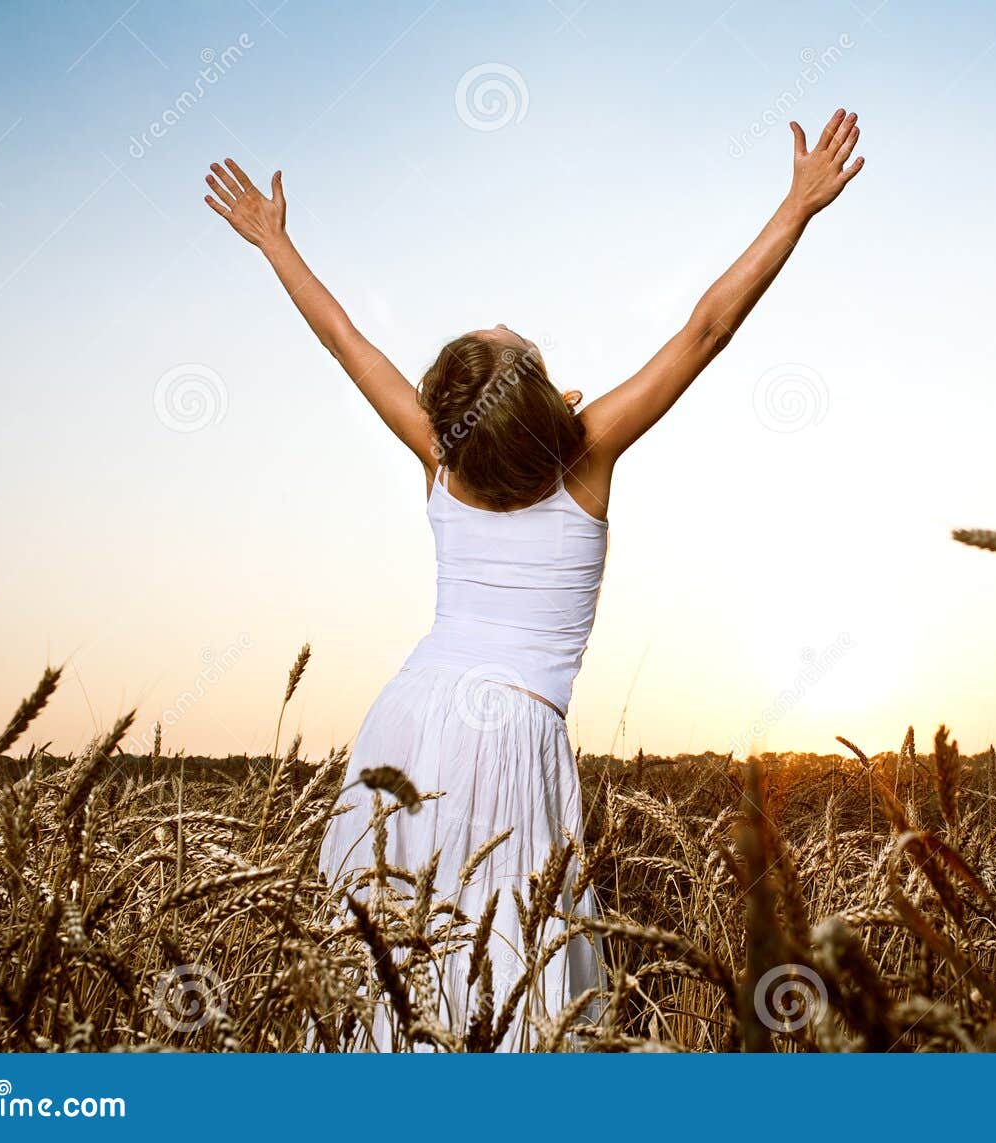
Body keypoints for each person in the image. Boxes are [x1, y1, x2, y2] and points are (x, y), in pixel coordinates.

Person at [203, 109, 865, 1049]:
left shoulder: (441, 456)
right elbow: (707, 329)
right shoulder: (585, 458)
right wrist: (796, 208)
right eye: (518, 341)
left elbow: (346, 343)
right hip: (512, 732)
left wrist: (276, 244)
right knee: (510, 966)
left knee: (391, 963)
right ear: (541, 399)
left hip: (412, 714)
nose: (510, 319)